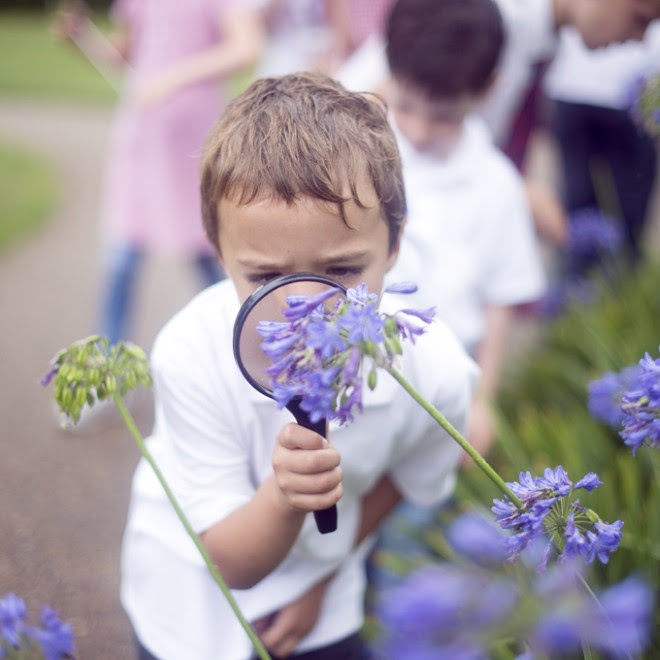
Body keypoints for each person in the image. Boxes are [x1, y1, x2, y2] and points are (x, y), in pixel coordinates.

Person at [120, 72, 478, 660]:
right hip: (190, 600)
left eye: (339, 271)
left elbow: (409, 475)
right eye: (264, 277)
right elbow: (232, 564)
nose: (302, 306)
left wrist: (323, 576)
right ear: (219, 255)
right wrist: (286, 497)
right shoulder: (189, 352)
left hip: (328, 591)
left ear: (393, 247)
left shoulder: (435, 371)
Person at [382, 0, 546, 456]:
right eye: (406, 106)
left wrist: (483, 399)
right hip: (368, 373)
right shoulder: (366, 155)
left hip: (448, 386)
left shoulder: (497, 184)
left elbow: (500, 298)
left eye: (442, 116)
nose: (417, 130)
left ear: (491, 88)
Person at [55, 0, 265, 346]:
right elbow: (127, 53)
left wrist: (174, 76)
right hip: (141, 136)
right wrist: (82, 38)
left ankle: (248, 349)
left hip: (193, 142)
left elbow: (245, 47)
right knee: (121, 258)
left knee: (208, 252)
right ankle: (107, 367)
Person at [543, 22, 660, 269]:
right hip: (630, 89)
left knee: (579, 207)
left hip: (573, 84)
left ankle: (580, 293)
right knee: (625, 217)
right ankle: (609, 296)